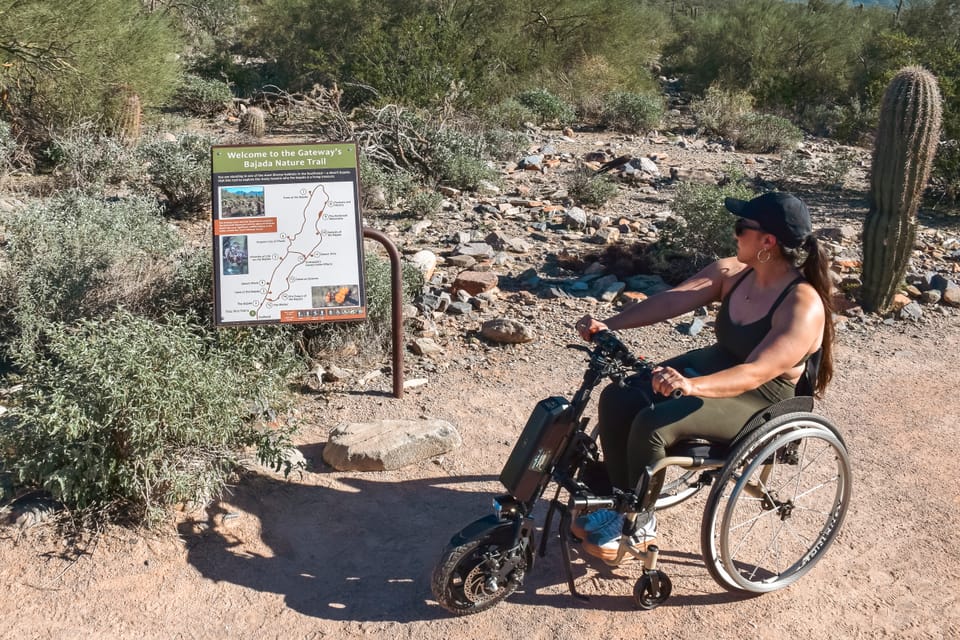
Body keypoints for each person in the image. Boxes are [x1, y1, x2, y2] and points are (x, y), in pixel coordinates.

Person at [571, 191, 835, 561]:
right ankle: (621, 503)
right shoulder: (736, 272)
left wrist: (691, 385)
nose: (735, 234)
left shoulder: (802, 305)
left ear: (768, 242)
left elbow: (755, 371)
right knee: (619, 396)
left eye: (741, 227)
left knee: (654, 422)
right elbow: (673, 299)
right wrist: (608, 326)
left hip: (759, 398)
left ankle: (639, 522)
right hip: (718, 366)